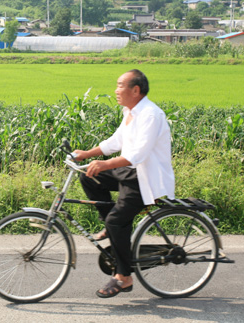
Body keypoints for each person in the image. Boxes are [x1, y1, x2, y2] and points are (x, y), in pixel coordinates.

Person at [73, 69, 175, 298]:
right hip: (130, 172)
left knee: (116, 221)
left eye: (120, 85)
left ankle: (124, 277)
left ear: (135, 90)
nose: (116, 90)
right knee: (88, 176)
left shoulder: (150, 115)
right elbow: (116, 141)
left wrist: (105, 164)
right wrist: (87, 154)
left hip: (145, 178)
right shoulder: (130, 112)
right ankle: (111, 226)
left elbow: (137, 154)